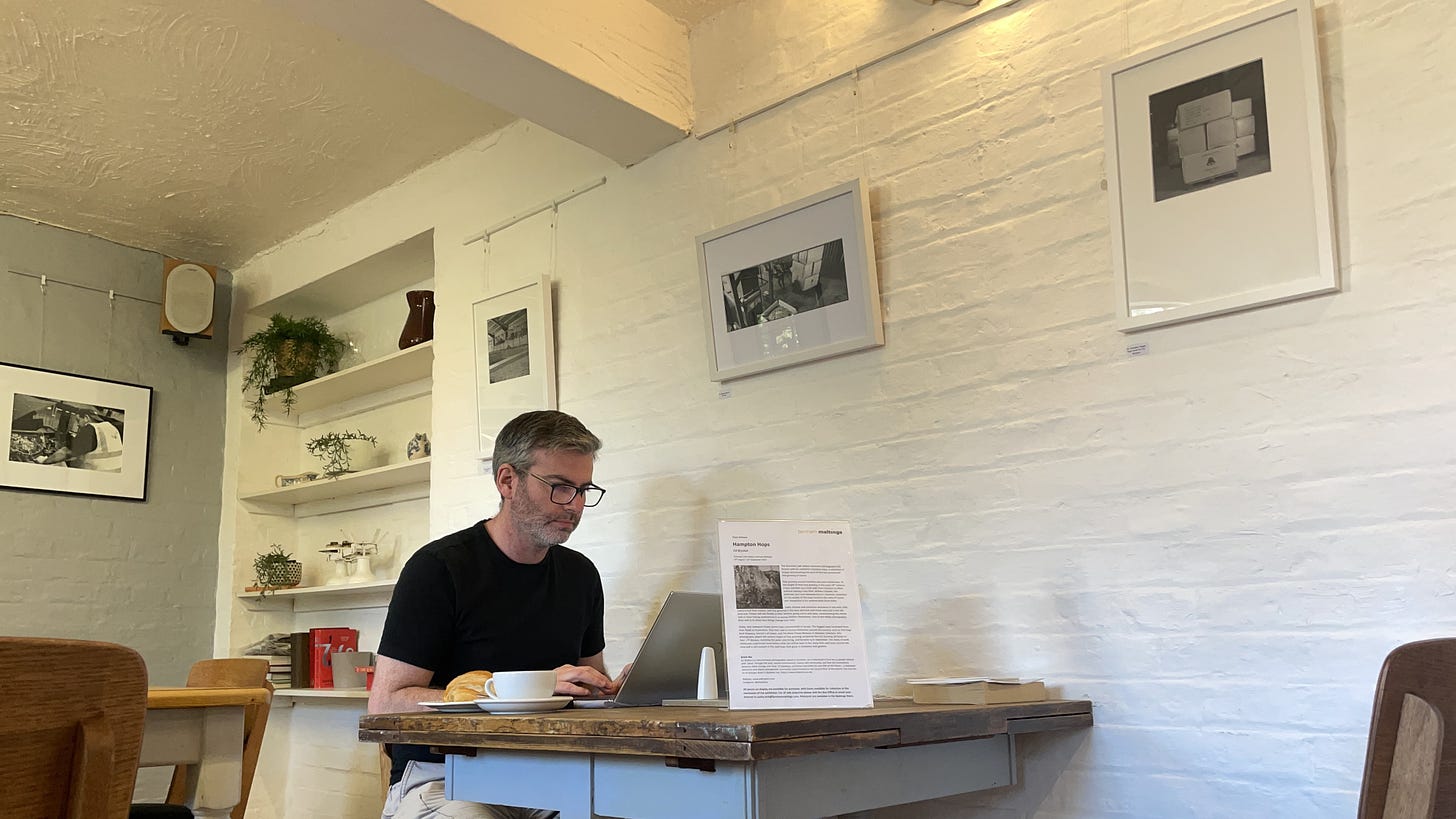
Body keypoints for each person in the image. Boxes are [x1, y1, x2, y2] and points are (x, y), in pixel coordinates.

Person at [371, 410, 619, 819]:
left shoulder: (581, 575)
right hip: (445, 774)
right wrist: (529, 691)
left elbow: (584, 687)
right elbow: (386, 704)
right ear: (507, 480)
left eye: (582, 489)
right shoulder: (438, 568)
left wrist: (610, 691)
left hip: (550, 774)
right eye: (559, 487)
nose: (575, 505)